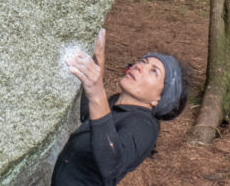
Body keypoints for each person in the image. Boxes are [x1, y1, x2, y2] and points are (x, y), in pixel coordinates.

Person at [50, 28, 188, 186]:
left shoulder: (144, 126)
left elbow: (111, 163)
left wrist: (97, 93)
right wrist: (98, 58)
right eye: (143, 61)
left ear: (159, 99)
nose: (139, 67)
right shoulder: (118, 106)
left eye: (153, 72)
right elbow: (92, 120)